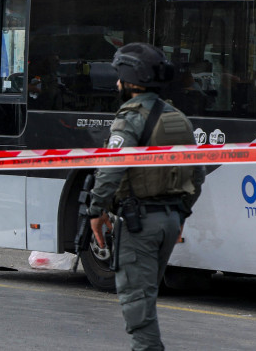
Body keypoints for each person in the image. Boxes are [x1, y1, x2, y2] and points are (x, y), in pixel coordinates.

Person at [86, 42, 205, 351]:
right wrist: (181, 213)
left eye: (120, 78)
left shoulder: (131, 118)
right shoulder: (178, 117)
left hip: (140, 222)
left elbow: (111, 169)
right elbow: (197, 175)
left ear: (131, 80)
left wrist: (96, 211)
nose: (116, 84)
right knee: (146, 295)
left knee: (136, 302)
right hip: (169, 219)